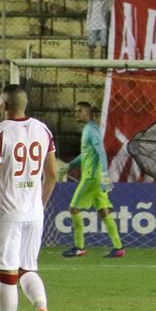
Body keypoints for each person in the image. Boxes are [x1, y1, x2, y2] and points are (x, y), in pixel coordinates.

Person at [0, 85, 58, 311]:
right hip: (33, 214)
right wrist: (39, 205)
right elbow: (53, 175)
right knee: (28, 269)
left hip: (6, 214)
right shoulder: (43, 129)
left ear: (4, 105)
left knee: (7, 276)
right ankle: (42, 309)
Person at [57, 102, 124, 259]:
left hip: (91, 178)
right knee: (103, 211)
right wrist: (70, 166)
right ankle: (118, 247)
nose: (76, 114)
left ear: (88, 113)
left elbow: (101, 151)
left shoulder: (91, 131)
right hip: (96, 177)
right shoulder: (90, 130)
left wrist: (105, 174)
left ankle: (79, 246)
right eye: (75, 111)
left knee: (74, 209)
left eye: (79, 111)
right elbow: (87, 154)